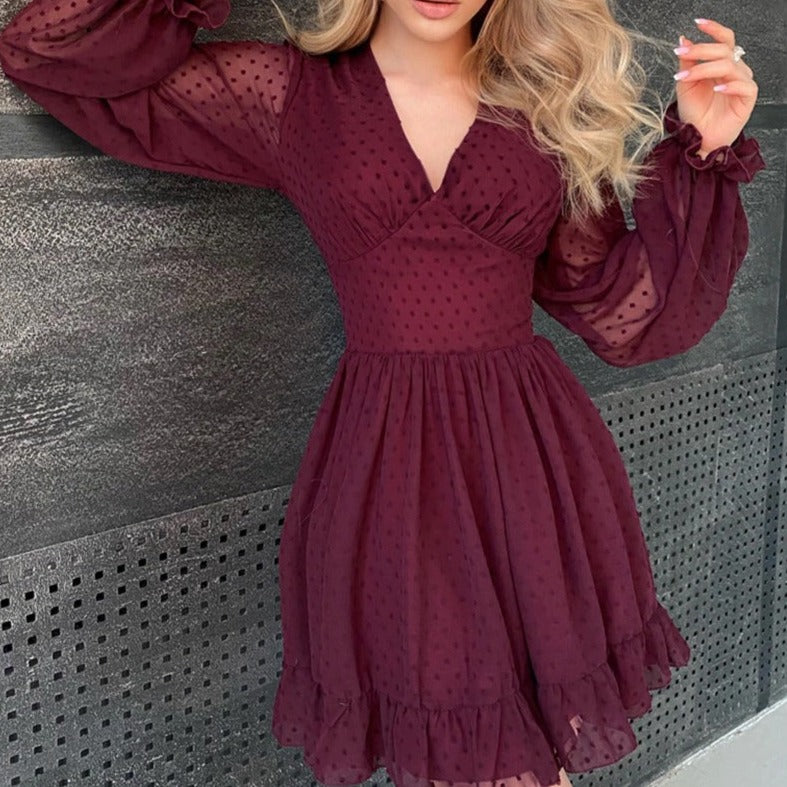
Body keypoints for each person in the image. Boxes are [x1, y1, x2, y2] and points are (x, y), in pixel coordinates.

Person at [0, 1, 766, 786]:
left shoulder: (540, 103)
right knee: (464, 745)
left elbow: (619, 313)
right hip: (391, 469)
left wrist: (705, 145)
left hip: (530, 464)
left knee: (532, 747)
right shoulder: (292, 94)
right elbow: (47, 52)